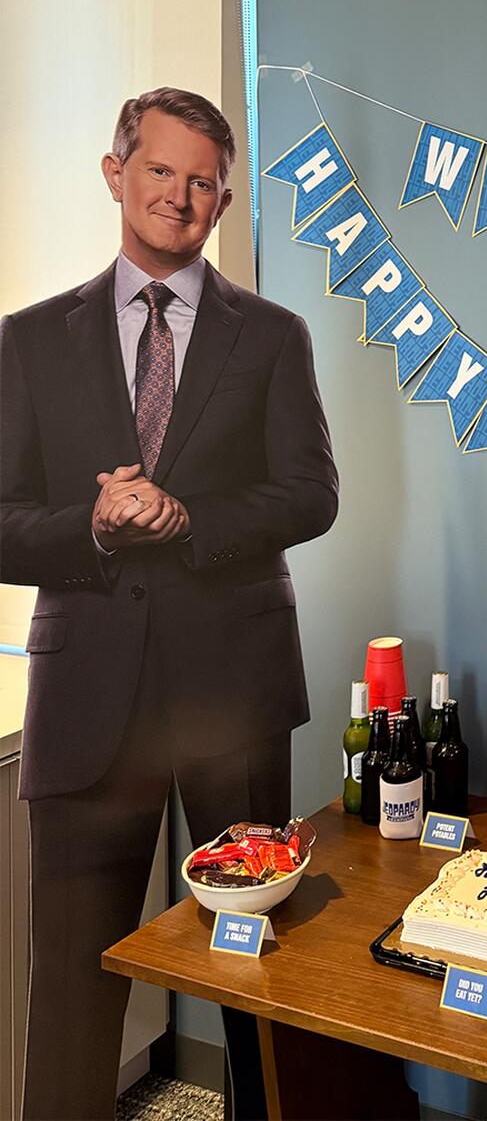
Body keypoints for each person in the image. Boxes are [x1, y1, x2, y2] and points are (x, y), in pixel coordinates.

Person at [0, 88, 339, 1120]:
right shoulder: (27, 341)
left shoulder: (272, 335)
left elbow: (312, 494)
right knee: (71, 988)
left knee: (256, 981)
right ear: (116, 174)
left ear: (224, 201)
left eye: (202, 182)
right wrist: (92, 529)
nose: (178, 197)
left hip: (230, 695)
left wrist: (189, 518)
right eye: (160, 170)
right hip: (84, 700)